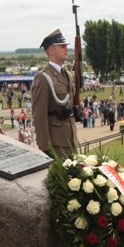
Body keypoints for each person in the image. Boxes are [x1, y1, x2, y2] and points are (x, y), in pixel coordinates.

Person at [31, 29, 79, 157]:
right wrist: (45, 147)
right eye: (62, 46)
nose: (66, 49)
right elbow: (39, 115)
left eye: (66, 46)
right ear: (51, 51)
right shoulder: (43, 78)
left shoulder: (67, 75)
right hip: (56, 144)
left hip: (70, 139)